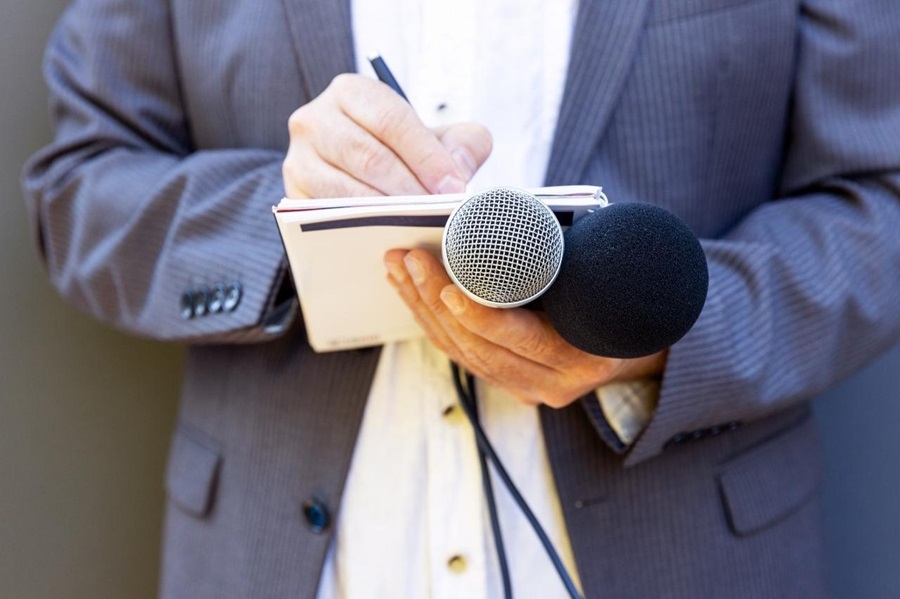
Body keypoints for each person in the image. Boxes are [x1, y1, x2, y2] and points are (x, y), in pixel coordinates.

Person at [22, 0, 900, 597]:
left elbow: (880, 194)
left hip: (683, 553)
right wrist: (283, 214)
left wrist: (660, 337)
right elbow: (81, 189)